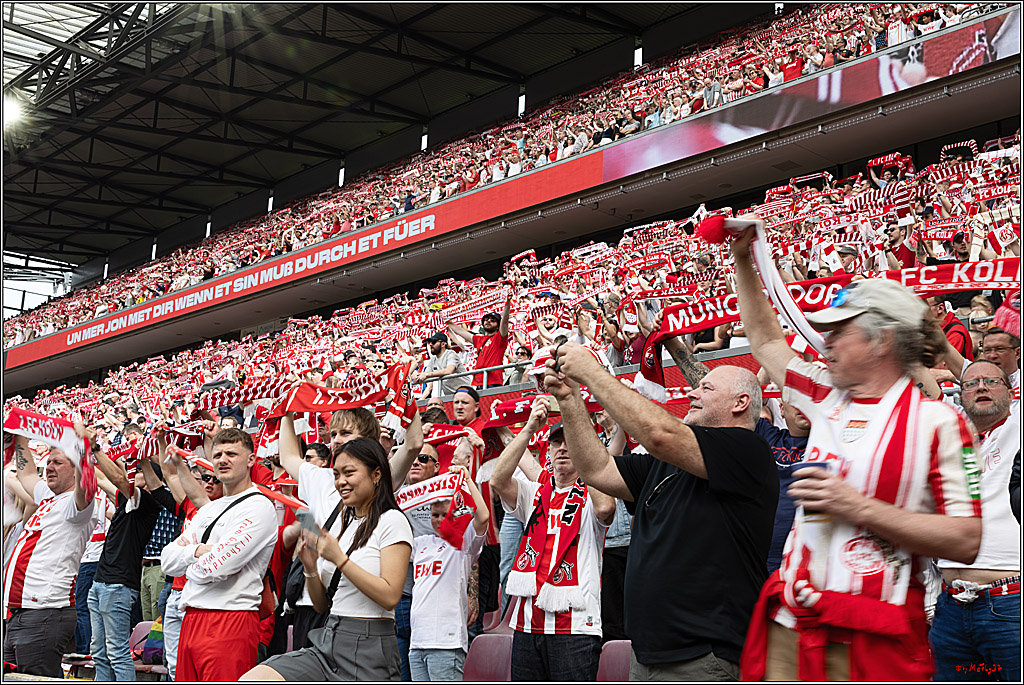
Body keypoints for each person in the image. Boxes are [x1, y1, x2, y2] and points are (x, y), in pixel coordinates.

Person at [728, 225, 982, 681]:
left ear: (881, 341)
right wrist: (744, 261)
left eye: (838, 331)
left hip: (870, 638)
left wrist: (857, 506)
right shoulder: (824, 392)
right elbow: (766, 344)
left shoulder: (939, 424)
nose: (825, 342)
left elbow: (965, 540)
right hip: (791, 621)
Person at [544, 343, 777, 680]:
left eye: (706, 387)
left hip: (704, 657)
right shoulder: (664, 464)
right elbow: (597, 470)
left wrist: (593, 373)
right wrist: (569, 399)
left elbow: (659, 434)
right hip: (647, 655)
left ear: (740, 404)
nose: (693, 392)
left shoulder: (750, 451)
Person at [242, 438, 413, 681]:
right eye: (336, 474)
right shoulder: (345, 522)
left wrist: (339, 559)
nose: (340, 481)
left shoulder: (392, 521)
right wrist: (310, 568)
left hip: (369, 650)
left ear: (376, 474)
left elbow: (390, 596)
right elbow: (322, 605)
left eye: (349, 472)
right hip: (327, 638)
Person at [490, 398, 616, 681]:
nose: (563, 448)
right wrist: (531, 426)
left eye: (570, 441)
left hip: (575, 628)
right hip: (526, 625)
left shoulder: (592, 494)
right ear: (547, 452)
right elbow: (498, 481)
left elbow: (606, 509)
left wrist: (586, 454)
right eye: (556, 442)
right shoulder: (534, 493)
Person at [160, 428, 278, 681]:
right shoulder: (207, 510)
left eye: (232, 453)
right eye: (218, 454)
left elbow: (213, 569)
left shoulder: (259, 507)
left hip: (229, 620)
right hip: (191, 618)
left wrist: (189, 560)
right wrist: (198, 551)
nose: (223, 459)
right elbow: (167, 561)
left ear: (250, 459)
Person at [930, 360, 1020, 681]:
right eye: (971, 384)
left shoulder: (1018, 426)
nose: (981, 387)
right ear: (961, 397)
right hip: (951, 608)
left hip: (1010, 606)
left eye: (991, 381)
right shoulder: (951, 442)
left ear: (1012, 393)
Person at [4, 434, 97, 677]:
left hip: (44, 614)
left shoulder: (77, 505)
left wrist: (83, 449)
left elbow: (87, 486)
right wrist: (19, 438)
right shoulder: (48, 498)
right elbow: (26, 475)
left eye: (58, 462)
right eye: (48, 462)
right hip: (21, 613)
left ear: (76, 468)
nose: (50, 467)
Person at [87, 434, 176, 681]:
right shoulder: (126, 501)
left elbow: (115, 479)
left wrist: (95, 448)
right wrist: (82, 454)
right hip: (100, 582)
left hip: (118, 586)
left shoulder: (146, 503)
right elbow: (103, 478)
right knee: (99, 652)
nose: (129, 471)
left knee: (116, 652)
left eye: (135, 470)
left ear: (147, 480)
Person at [408, 464, 490, 681]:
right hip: (417, 642)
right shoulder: (420, 543)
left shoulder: (463, 543)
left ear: (455, 516)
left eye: (445, 514)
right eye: (435, 514)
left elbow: (482, 517)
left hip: (447, 642)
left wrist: (467, 480)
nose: (439, 519)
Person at [448, 294, 511, 389]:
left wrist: (507, 302)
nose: (488, 321)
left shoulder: (500, 338)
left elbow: (505, 321)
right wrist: (447, 321)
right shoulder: (478, 339)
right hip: (478, 381)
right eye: (486, 319)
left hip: (494, 381)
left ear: (498, 326)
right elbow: (461, 331)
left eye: (493, 320)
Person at [412, 332, 466, 398]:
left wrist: (427, 375)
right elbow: (423, 375)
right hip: (451, 396)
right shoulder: (433, 359)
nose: (431, 344)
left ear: (443, 344)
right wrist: (415, 373)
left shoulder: (451, 354)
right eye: (429, 342)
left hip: (465, 392)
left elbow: (449, 371)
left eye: (434, 342)